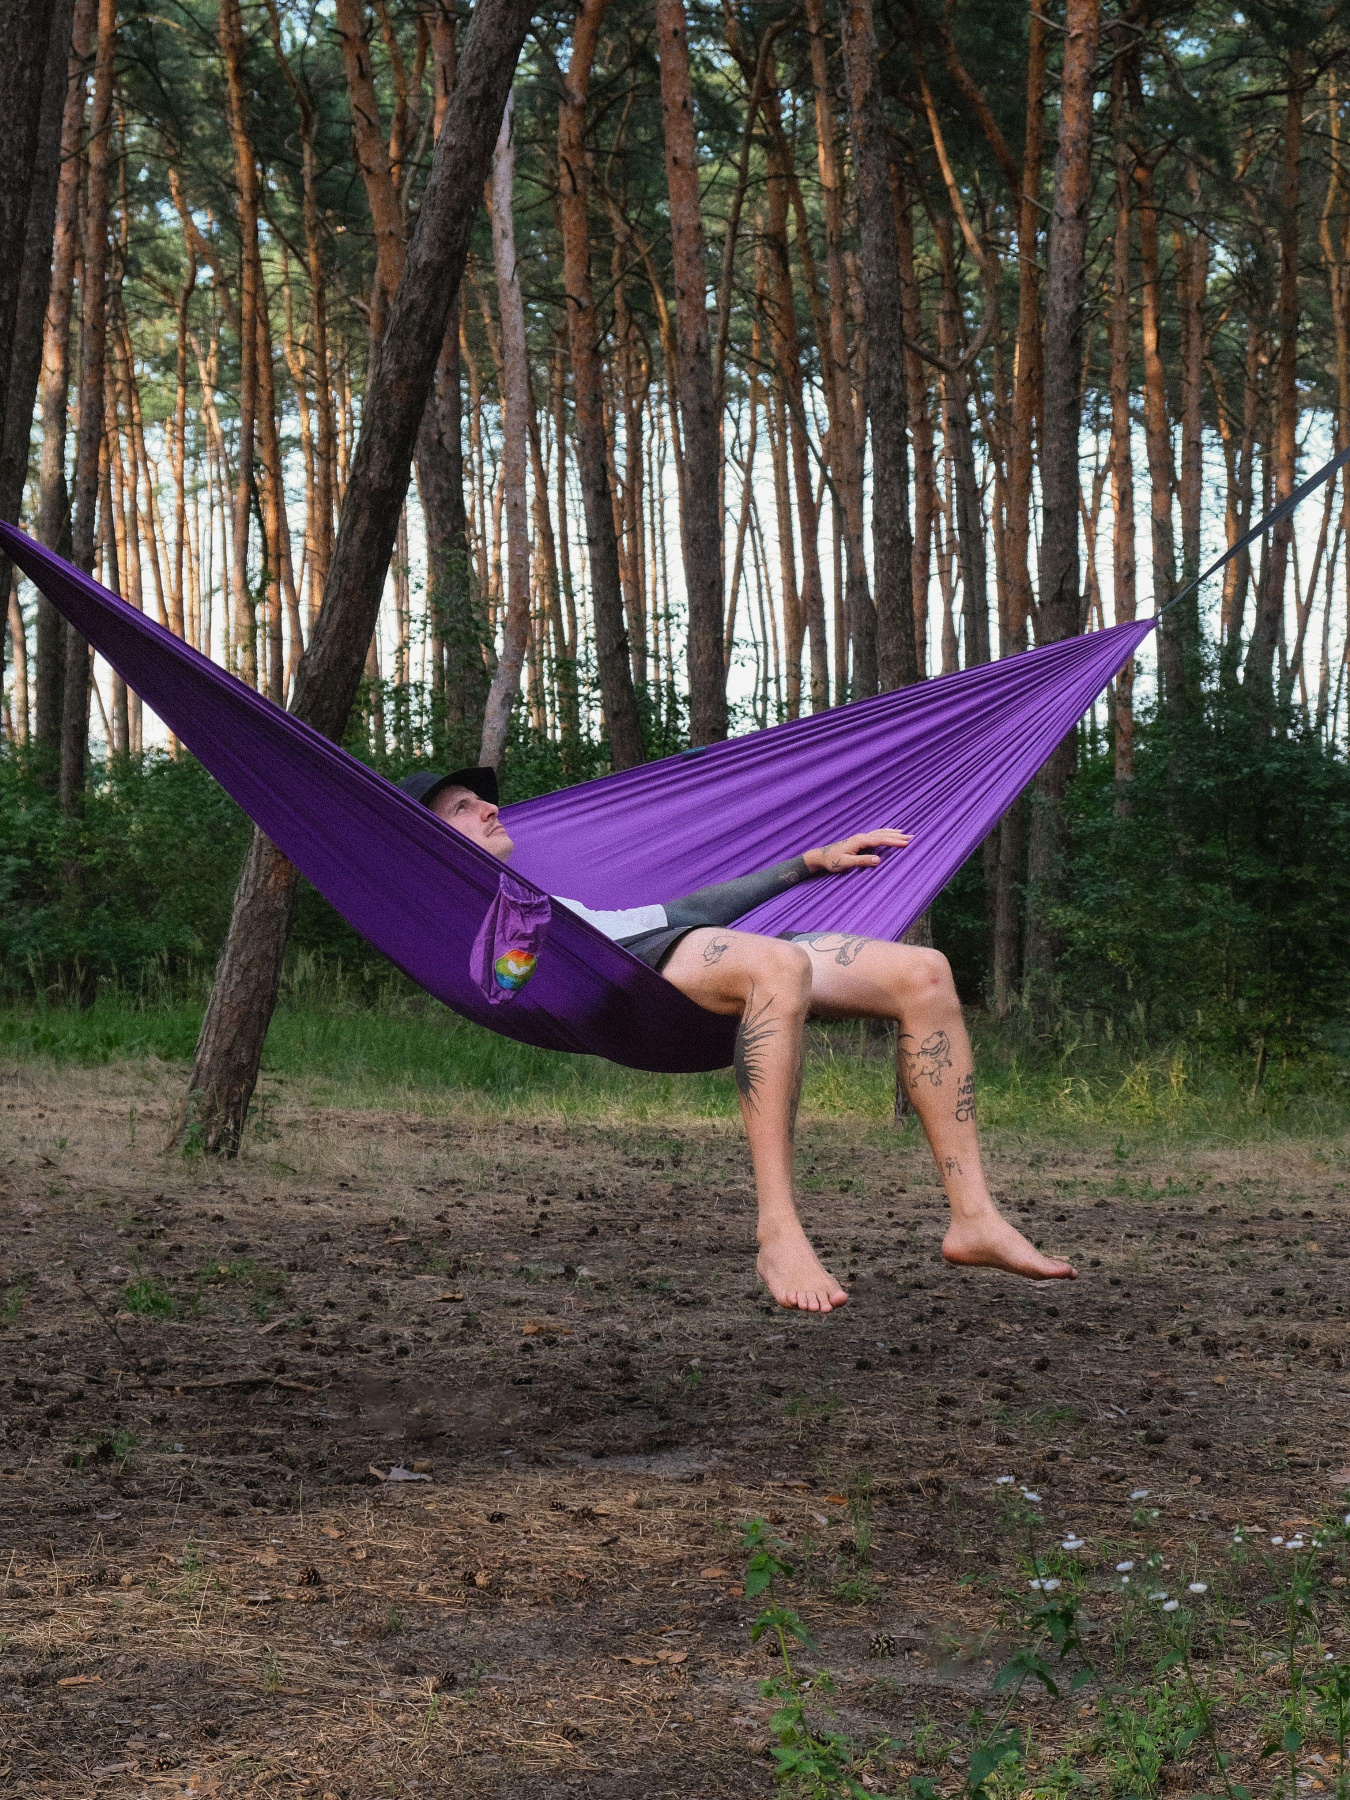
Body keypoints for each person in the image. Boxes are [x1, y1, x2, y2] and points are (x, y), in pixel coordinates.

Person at [400, 767, 1076, 1315]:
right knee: (776, 965)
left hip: (668, 950)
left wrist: (809, 863)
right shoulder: (461, 913)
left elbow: (687, 914)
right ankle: (778, 1230)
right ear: (426, 841)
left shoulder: (553, 902)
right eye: (463, 807)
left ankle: (974, 1218)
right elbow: (500, 979)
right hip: (639, 979)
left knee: (924, 975)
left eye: (481, 799)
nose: (489, 807)